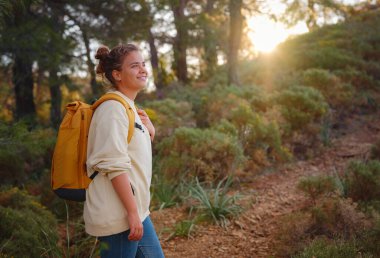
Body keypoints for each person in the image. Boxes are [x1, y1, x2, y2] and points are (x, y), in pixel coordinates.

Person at [84, 43, 165, 258]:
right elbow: (114, 164)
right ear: (117, 74)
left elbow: (132, 153)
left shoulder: (127, 106)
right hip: (118, 217)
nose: (143, 69)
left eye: (143, 64)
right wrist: (131, 213)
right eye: (135, 66)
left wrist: (150, 132)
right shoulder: (112, 108)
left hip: (136, 211)